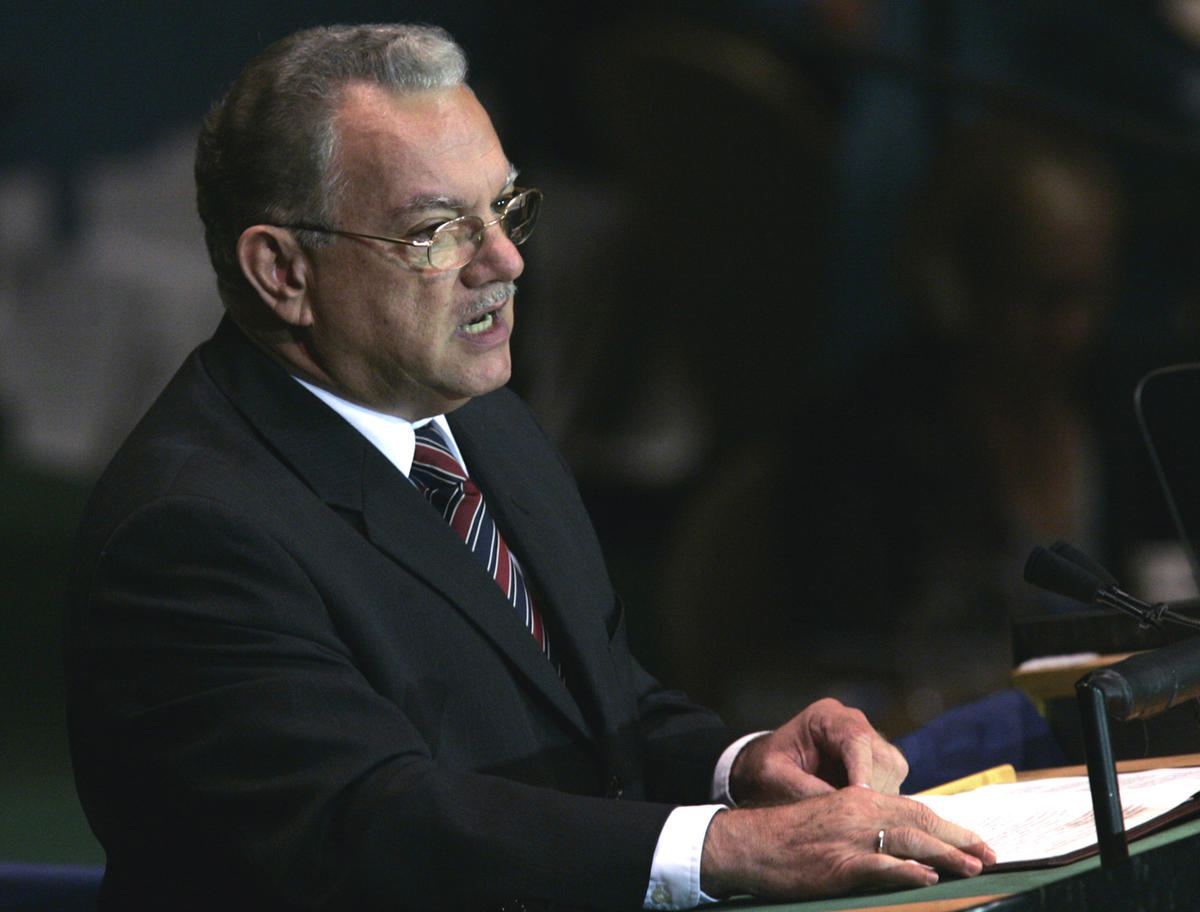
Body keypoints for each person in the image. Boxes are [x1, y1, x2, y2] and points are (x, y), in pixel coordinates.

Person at [63, 23, 992, 911]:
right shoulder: (191, 531)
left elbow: (595, 706)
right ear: (283, 273)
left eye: (503, 208)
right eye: (437, 233)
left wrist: (739, 767)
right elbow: (373, 829)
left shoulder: (482, 419)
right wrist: (723, 849)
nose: (504, 259)